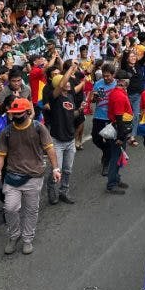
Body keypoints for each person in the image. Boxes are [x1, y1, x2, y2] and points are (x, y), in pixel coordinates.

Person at [0, 98, 60, 254]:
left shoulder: (39, 128)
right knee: (10, 208)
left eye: (19, 113)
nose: (16, 116)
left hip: (34, 176)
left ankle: (27, 239)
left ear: (28, 112)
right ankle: (14, 236)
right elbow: (0, 154)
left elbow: (50, 149)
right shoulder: (7, 132)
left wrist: (56, 168)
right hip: (12, 177)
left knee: (31, 210)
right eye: (13, 113)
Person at [44, 64, 87, 205]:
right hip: (57, 141)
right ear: (59, 85)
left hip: (70, 140)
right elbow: (61, 82)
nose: (68, 84)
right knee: (59, 169)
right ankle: (51, 187)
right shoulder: (54, 97)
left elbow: (71, 114)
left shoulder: (70, 96)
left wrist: (79, 110)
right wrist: (71, 69)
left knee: (68, 170)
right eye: (65, 82)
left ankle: (64, 191)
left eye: (68, 82)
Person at [105, 71, 134, 195]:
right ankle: (111, 184)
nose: (129, 81)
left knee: (119, 157)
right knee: (115, 158)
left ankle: (116, 179)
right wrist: (122, 137)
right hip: (118, 130)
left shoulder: (120, 93)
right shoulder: (119, 96)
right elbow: (119, 118)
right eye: (127, 79)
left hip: (120, 129)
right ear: (122, 81)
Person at [88, 63, 118, 177]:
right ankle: (106, 152)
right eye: (104, 76)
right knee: (96, 138)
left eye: (108, 76)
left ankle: (107, 164)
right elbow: (92, 100)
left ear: (113, 75)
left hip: (111, 117)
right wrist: (95, 97)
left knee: (110, 140)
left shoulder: (117, 84)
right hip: (99, 116)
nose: (106, 78)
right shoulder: (98, 83)